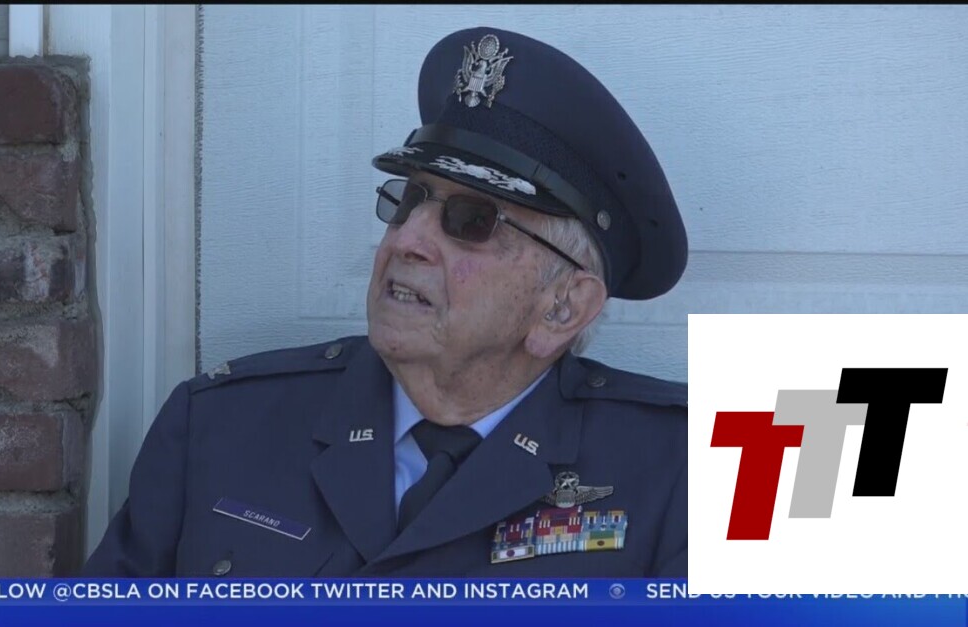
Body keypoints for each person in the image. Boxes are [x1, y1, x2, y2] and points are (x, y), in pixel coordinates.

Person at [82, 26, 688, 577]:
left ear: (563, 306)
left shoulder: (693, 470)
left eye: (470, 220)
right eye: (409, 201)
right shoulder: (219, 427)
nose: (406, 240)